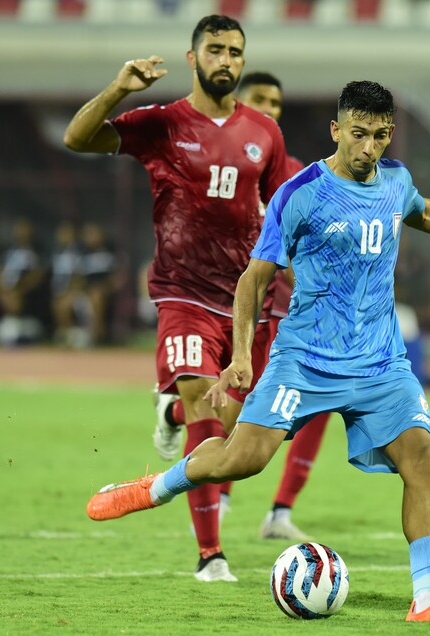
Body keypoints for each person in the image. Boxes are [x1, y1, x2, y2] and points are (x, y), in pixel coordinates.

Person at [85, 80, 430, 624]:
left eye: (379, 135)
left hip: (380, 362)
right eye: (358, 134)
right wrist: (241, 356)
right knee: (242, 459)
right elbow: (254, 281)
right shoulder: (300, 193)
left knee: (423, 458)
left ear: (389, 134)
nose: (368, 147)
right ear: (336, 130)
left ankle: (429, 600)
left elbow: (424, 213)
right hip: (306, 360)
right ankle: (154, 487)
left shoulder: (397, 181)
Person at [64, 15, 294, 582]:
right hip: (183, 295)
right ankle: (210, 556)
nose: (227, 60)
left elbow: (277, 220)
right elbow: (77, 137)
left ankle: (166, 409)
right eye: (215, 49)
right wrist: (120, 88)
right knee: (205, 412)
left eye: (236, 52)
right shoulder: (165, 123)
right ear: (193, 58)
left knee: (234, 428)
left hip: (244, 303)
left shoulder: (264, 132)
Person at [217, 69, 325, 541]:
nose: (269, 109)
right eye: (259, 99)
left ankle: (280, 511)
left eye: (277, 103)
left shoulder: (299, 174)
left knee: (316, 405)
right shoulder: (220, 164)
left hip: (288, 309)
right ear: (239, 104)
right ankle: (218, 492)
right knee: (239, 395)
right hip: (233, 302)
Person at [0, 218, 47, 346]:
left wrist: (18, 291)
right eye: (19, 230)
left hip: (28, 298)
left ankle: (22, 330)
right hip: (7, 291)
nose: (22, 233)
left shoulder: (38, 251)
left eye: (25, 230)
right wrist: (3, 290)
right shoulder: (9, 251)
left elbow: (39, 275)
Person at [77, 222, 117, 345]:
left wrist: (108, 287)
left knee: (96, 295)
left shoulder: (109, 252)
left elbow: (118, 276)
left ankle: (98, 335)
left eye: (94, 234)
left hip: (105, 291)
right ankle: (66, 336)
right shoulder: (83, 254)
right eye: (88, 235)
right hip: (86, 291)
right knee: (62, 302)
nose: (92, 237)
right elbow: (78, 278)